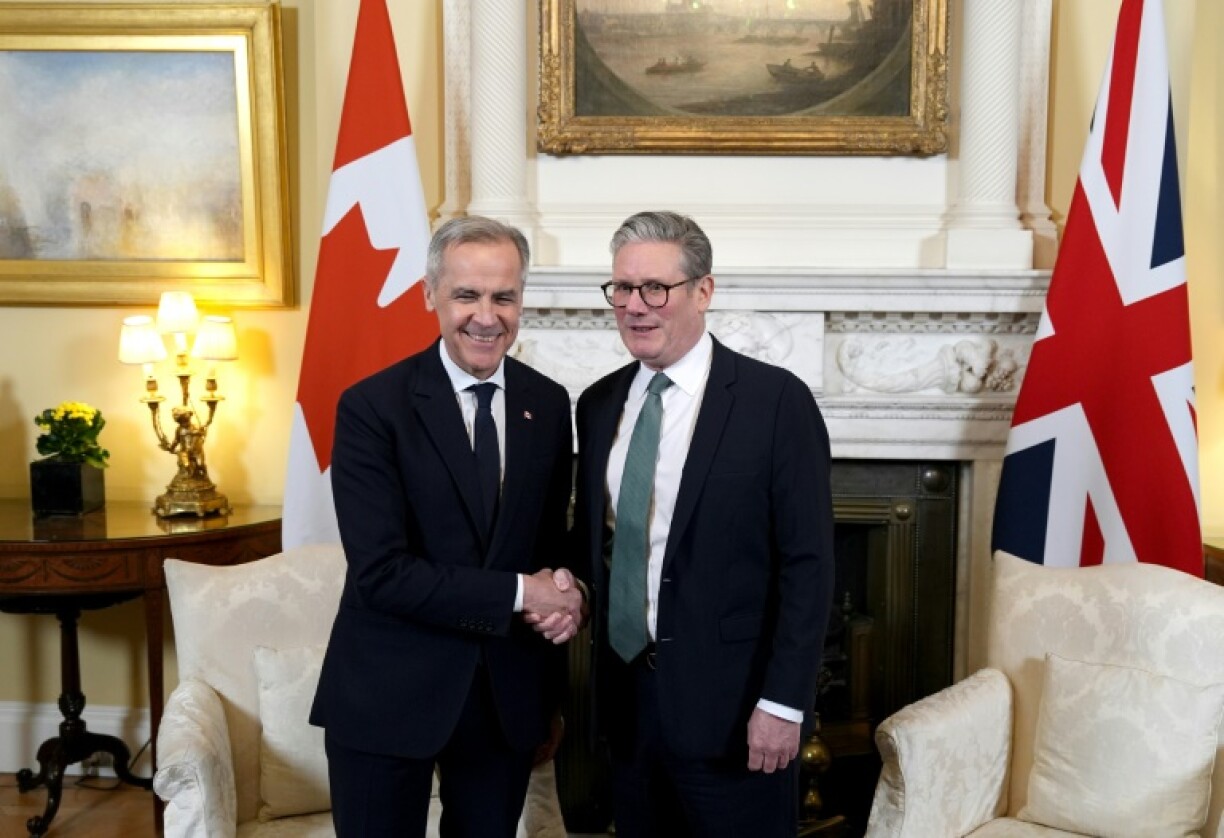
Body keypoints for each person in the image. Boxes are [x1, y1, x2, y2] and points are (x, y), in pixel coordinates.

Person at [310, 216, 584, 837]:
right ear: (430, 295)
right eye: (467, 295)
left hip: (505, 704)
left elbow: (549, 549)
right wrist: (525, 594)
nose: (486, 316)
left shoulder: (548, 404)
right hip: (387, 696)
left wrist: (569, 600)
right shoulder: (371, 407)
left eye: (503, 297)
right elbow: (382, 574)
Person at [569, 210, 835, 837]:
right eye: (623, 289)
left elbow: (810, 565)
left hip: (738, 715)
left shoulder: (775, 403)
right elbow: (596, 545)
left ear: (703, 291)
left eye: (655, 288)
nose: (636, 306)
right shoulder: (600, 403)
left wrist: (783, 702)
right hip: (629, 713)